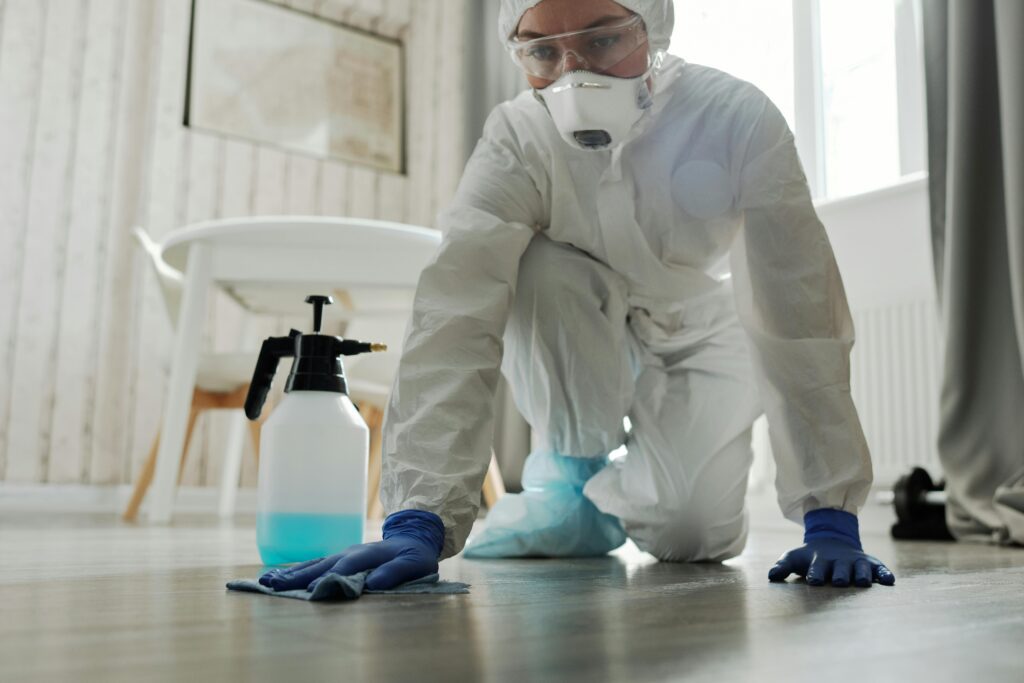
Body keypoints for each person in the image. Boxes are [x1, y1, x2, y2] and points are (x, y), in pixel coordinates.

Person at [260, 0, 895, 594]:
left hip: (701, 326)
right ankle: (574, 473)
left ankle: (629, 486)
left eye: (603, 39)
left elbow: (794, 299)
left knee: (691, 535)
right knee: (529, 264)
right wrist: (419, 514)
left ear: (653, 26)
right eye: (543, 52)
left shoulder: (735, 119)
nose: (574, 73)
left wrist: (828, 510)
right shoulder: (516, 140)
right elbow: (456, 309)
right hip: (578, 311)